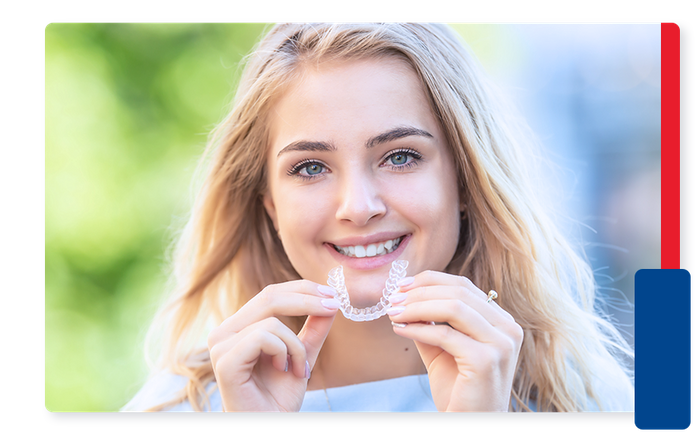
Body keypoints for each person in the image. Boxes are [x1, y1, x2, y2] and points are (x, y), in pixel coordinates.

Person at [122, 22, 634, 413]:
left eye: (400, 156)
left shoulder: (594, 402)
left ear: (465, 178)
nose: (359, 207)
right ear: (270, 204)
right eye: (311, 167)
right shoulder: (175, 409)